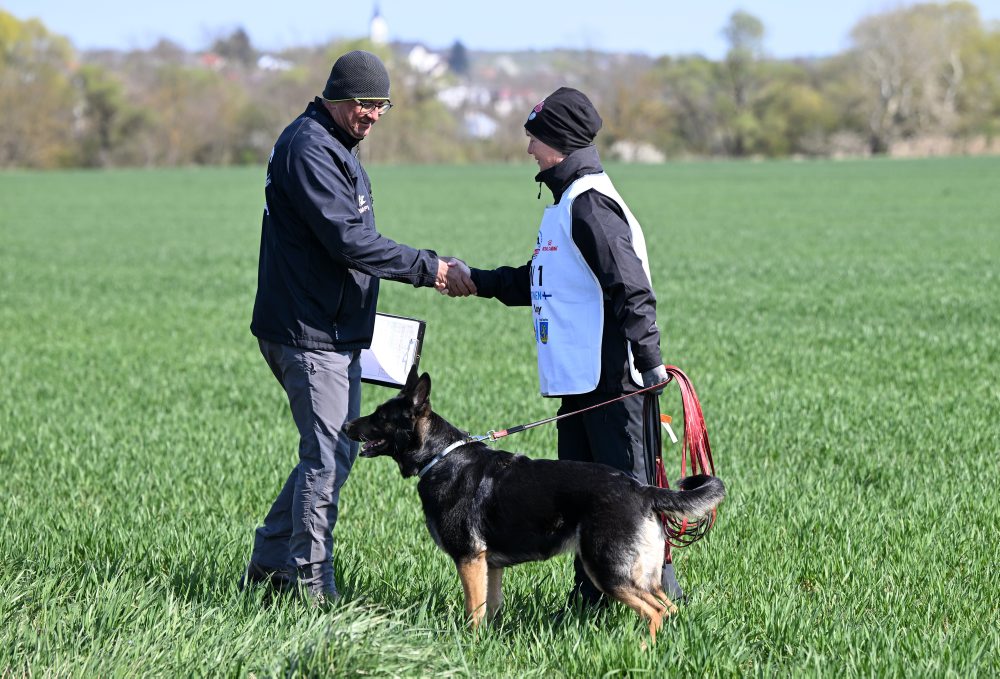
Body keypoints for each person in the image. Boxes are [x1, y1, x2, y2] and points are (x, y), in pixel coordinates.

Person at [243, 49, 474, 603]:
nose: (371, 114)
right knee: (327, 457)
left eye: (381, 105)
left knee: (337, 451)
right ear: (335, 96)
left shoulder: (335, 145)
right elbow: (347, 240)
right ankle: (309, 589)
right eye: (363, 104)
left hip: (332, 328)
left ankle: (271, 564)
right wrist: (430, 268)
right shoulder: (310, 149)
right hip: (308, 334)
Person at [444, 87, 682, 607]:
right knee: (584, 502)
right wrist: (477, 281)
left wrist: (649, 362)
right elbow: (538, 281)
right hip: (578, 384)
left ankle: (665, 603)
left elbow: (631, 288)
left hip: (616, 384)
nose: (529, 147)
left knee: (630, 501)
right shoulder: (565, 206)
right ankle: (591, 601)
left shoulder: (593, 206)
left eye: (535, 137)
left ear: (561, 143)